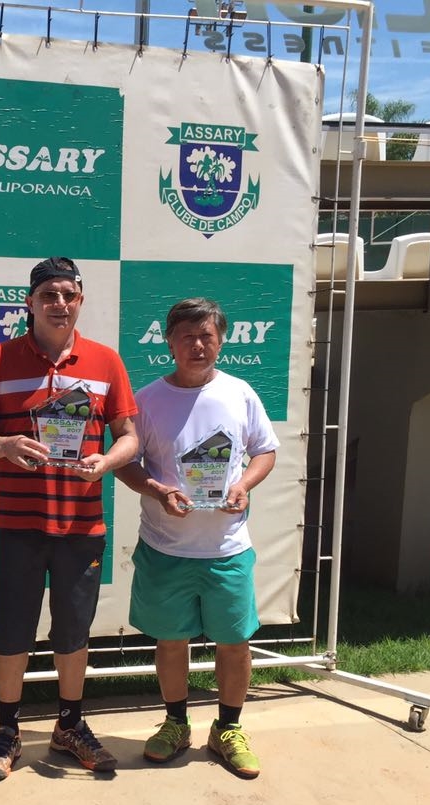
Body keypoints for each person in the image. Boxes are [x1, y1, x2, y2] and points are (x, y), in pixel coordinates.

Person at [0, 256, 138, 781]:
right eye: (48, 295)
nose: (59, 304)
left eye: (68, 295)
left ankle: (69, 724)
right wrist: (3, 444)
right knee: (13, 629)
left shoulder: (106, 361)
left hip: (81, 524)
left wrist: (106, 462)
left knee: (74, 631)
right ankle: (7, 729)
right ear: (30, 302)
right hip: (18, 524)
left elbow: (129, 438)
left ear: (80, 300)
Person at [114, 297, 279, 779]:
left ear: (221, 340)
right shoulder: (147, 400)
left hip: (227, 549)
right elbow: (125, 461)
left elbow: (265, 451)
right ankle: (175, 723)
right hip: (165, 547)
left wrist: (243, 485)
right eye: (187, 336)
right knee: (171, 641)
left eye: (206, 335)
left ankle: (228, 729)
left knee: (234, 643)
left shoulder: (239, 392)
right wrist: (156, 490)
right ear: (169, 342)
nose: (198, 345)